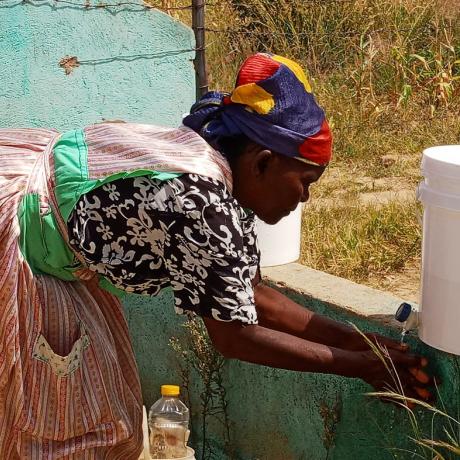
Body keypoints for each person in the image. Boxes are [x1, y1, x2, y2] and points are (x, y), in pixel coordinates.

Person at [0, 53, 433, 459]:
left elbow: (251, 292)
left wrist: (363, 344)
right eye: (306, 181)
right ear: (262, 163)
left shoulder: (213, 170)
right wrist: (363, 367)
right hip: (13, 232)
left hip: (36, 226)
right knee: (56, 432)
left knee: (88, 425)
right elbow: (233, 335)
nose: (305, 198)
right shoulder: (200, 203)